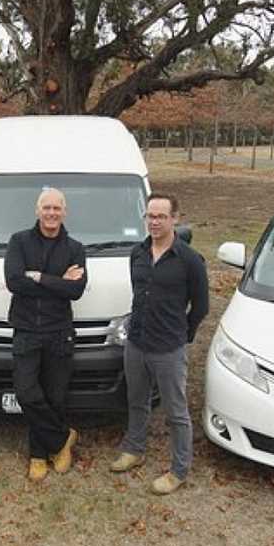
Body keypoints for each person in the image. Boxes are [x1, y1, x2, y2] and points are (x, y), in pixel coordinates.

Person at [109, 192, 209, 495]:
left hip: (168, 347)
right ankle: (134, 449)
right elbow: (139, 294)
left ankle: (179, 469)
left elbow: (201, 306)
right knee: (137, 401)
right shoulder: (137, 253)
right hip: (136, 343)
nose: (154, 222)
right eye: (150, 216)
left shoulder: (190, 260)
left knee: (176, 412)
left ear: (175, 218)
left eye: (161, 216)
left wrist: (182, 334)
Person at [4, 187, 87, 481]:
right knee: (27, 393)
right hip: (26, 329)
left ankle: (41, 455)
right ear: (37, 211)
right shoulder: (19, 242)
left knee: (54, 396)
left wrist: (37, 276)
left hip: (58, 331)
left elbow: (75, 290)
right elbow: (14, 281)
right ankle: (63, 438)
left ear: (64, 212)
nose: (51, 213)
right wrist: (57, 281)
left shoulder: (75, 248)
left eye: (57, 208)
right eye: (46, 208)